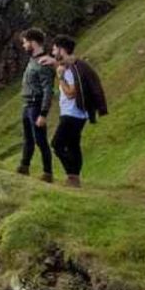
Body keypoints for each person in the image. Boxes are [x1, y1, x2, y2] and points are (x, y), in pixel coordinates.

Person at [43, 35, 107, 188]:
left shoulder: (70, 70)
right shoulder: (72, 65)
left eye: (54, 49)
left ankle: (71, 175)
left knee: (57, 144)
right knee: (73, 146)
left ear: (61, 49)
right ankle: (74, 179)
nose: (52, 52)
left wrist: (60, 78)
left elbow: (71, 92)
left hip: (72, 113)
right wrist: (55, 64)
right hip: (77, 114)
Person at [14, 28, 55, 182]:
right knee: (28, 138)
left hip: (36, 104)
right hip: (27, 104)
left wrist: (43, 113)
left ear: (33, 42)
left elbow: (47, 90)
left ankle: (48, 173)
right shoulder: (33, 59)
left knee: (40, 140)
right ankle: (24, 166)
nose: (24, 46)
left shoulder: (44, 62)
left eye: (25, 42)